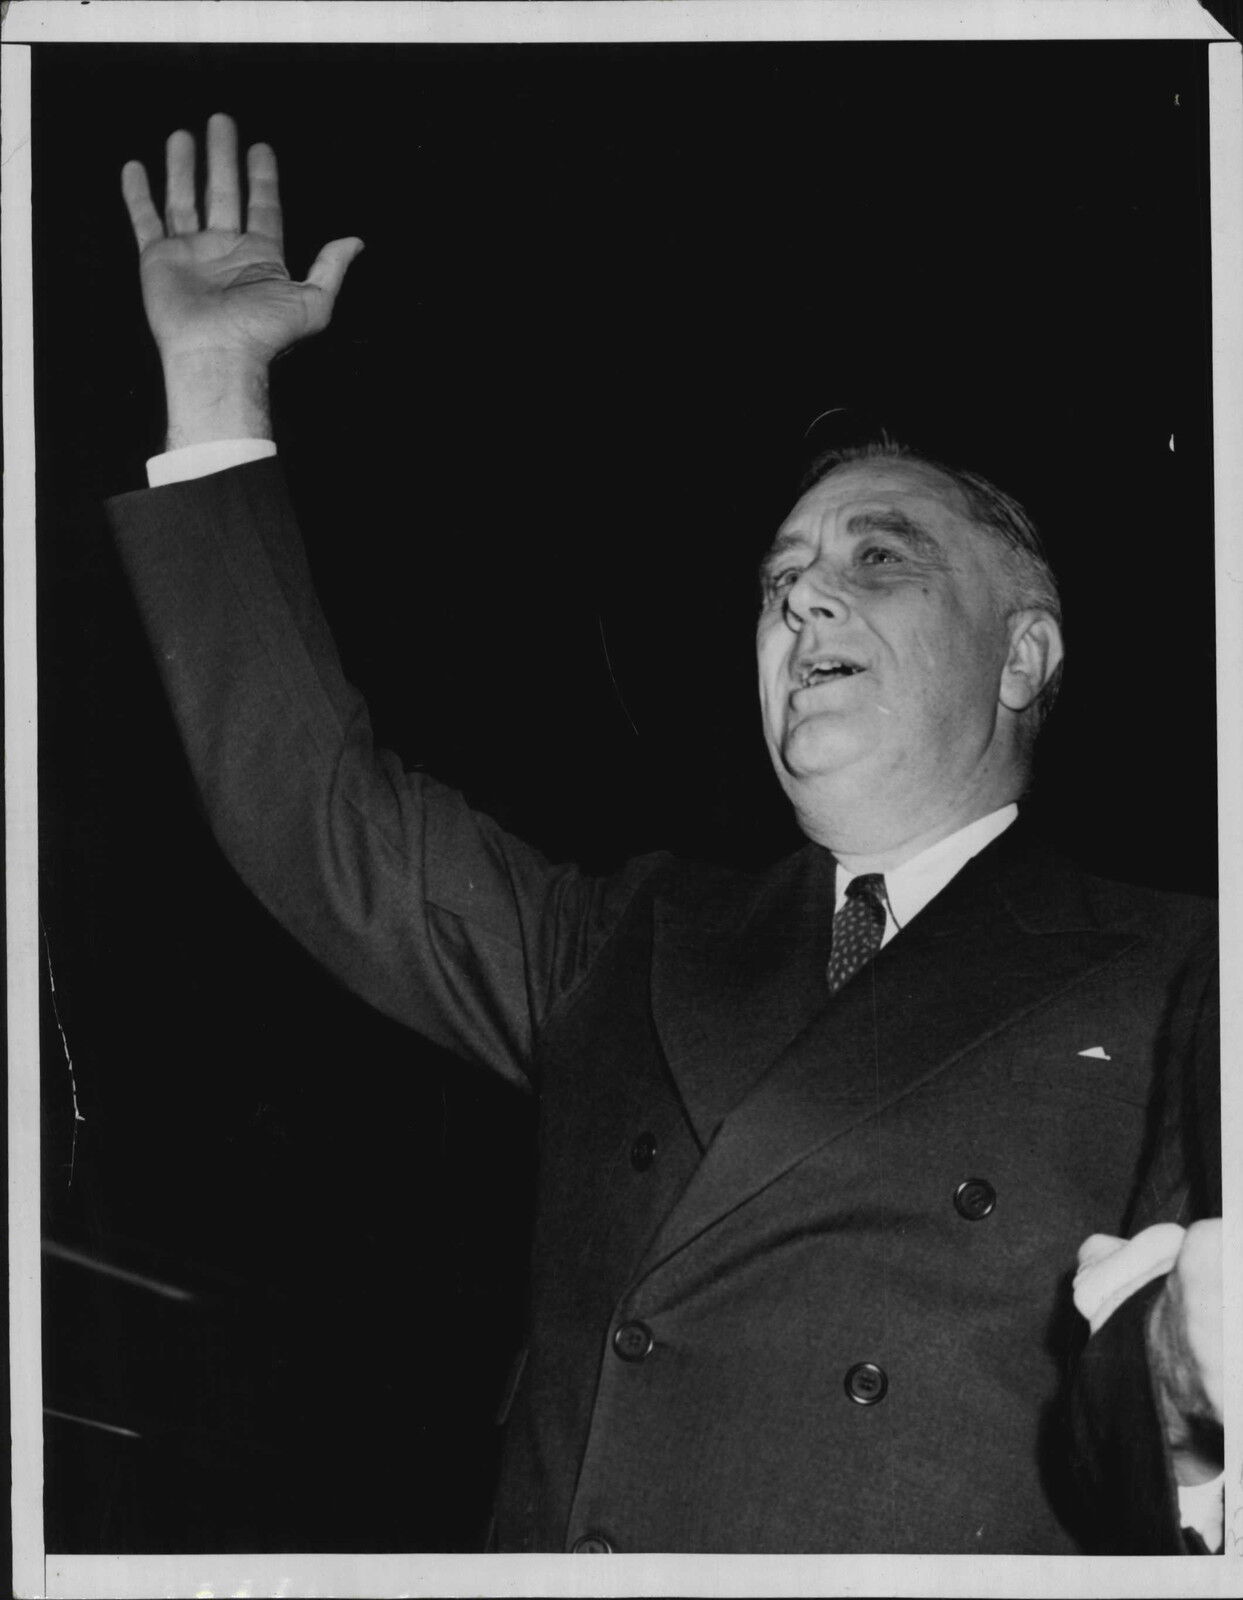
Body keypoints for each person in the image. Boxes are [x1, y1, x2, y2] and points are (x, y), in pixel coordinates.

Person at [105, 113, 1222, 1554]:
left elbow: (1174, 1402)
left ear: (1024, 658)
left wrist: (1192, 1377)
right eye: (780, 579)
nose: (802, 601)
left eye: (878, 559)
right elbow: (323, 817)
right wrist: (211, 376)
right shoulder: (626, 937)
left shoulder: (1185, 968)